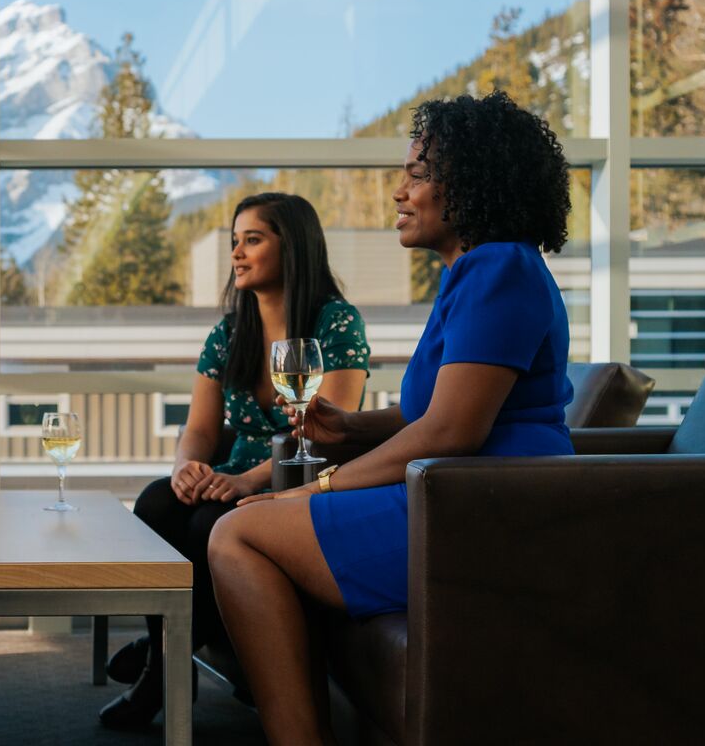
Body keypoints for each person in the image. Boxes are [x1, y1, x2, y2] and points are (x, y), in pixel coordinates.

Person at [208, 90, 575, 744]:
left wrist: (320, 485)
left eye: (417, 173)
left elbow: (453, 431)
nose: (399, 192)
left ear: (472, 183)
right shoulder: (477, 272)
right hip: (465, 494)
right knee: (251, 522)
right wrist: (348, 430)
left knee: (238, 534)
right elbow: (432, 412)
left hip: (481, 512)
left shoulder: (499, 268)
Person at [98, 192, 370, 729]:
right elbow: (199, 429)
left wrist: (248, 481)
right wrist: (187, 467)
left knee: (207, 520)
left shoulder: (336, 322)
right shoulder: (228, 333)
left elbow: (330, 435)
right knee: (158, 501)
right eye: (234, 242)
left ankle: (162, 664)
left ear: (291, 247)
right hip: (235, 477)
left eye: (253, 239)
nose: (238, 254)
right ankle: (173, 649)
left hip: (299, 480)